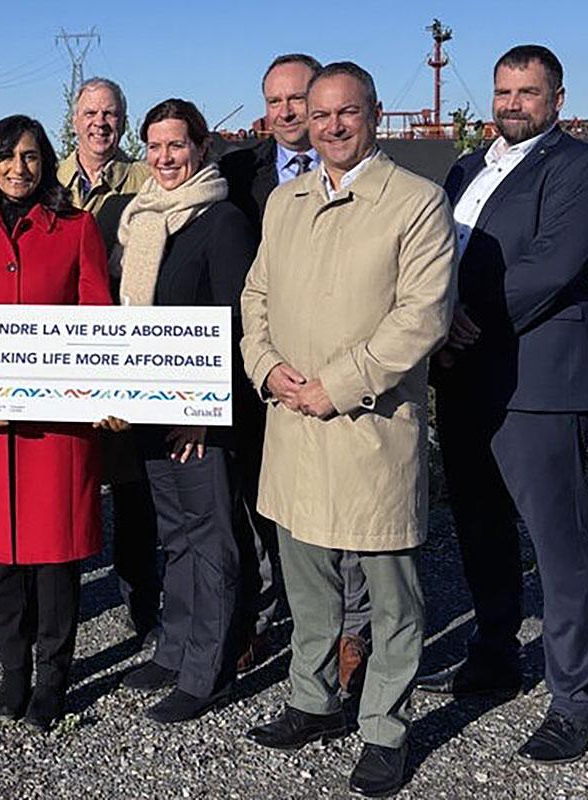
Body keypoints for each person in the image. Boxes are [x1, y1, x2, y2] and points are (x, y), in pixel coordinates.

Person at [240, 63, 456, 798]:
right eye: (320, 113)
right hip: (292, 421)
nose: (331, 125)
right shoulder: (285, 201)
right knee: (306, 582)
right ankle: (311, 699)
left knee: (391, 597)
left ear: (373, 113)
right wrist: (266, 368)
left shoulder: (416, 203)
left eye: (347, 113)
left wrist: (337, 384)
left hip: (369, 426)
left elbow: (422, 317)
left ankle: (385, 729)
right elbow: (257, 293)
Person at [418, 45, 588, 765]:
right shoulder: (468, 167)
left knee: (558, 542)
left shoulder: (581, 169)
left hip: (536, 381)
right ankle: (495, 653)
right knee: (481, 526)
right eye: (503, 91)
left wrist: (460, 317)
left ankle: (575, 701)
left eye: (528, 92)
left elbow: (552, 266)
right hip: (466, 376)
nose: (512, 104)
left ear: (557, 98)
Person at [0, 115, 117, 730]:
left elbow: (98, 317)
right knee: (2, 564)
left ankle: (54, 675)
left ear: (47, 164)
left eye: (32, 156)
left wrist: (101, 393)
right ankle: (13, 670)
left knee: (57, 564)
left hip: (57, 433)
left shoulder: (75, 228)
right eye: (7, 157)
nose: (20, 168)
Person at [220, 53, 372, 687]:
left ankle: (352, 629)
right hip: (259, 362)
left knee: (347, 499)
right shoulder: (234, 172)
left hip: (339, 367)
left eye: (298, 100)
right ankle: (258, 613)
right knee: (259, 493)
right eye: (275, 102)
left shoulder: (371, 180)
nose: (287, 113)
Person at [113, 98, 256, 724]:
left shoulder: (221, 221)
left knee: (211, 537)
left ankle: (209, 670)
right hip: (147, 408)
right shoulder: (139, 219)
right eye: (155, 147)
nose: (165, 159)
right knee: (174, 534)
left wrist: (205, 409)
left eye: (177, 146)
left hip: (200, 415)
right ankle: (173, 648)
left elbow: (235, 319)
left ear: (201, 148)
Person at [56, 77, 159, 641]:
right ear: (75, 120)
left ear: (123, 119)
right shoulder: (46, 181)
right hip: (57, 353)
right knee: (64, 482)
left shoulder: (146, 180)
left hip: (122, 350)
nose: (100, 122)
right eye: (90, 112)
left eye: (111, 113)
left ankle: (143, 604)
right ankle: (59, 607)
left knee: (132, 486)